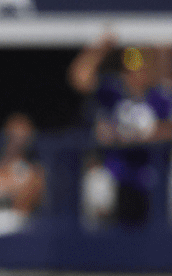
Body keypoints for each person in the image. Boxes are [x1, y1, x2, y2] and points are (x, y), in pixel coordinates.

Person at [68, 31, 172, 226]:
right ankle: (96, 236)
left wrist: (143, 135)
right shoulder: (113, 92)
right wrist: (100, 48)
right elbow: (80, 78)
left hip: (152, 173)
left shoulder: (159, 96)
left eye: (141, 70)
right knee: (96, 181)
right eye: (130, 70)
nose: (135, 75)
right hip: (116, 172)